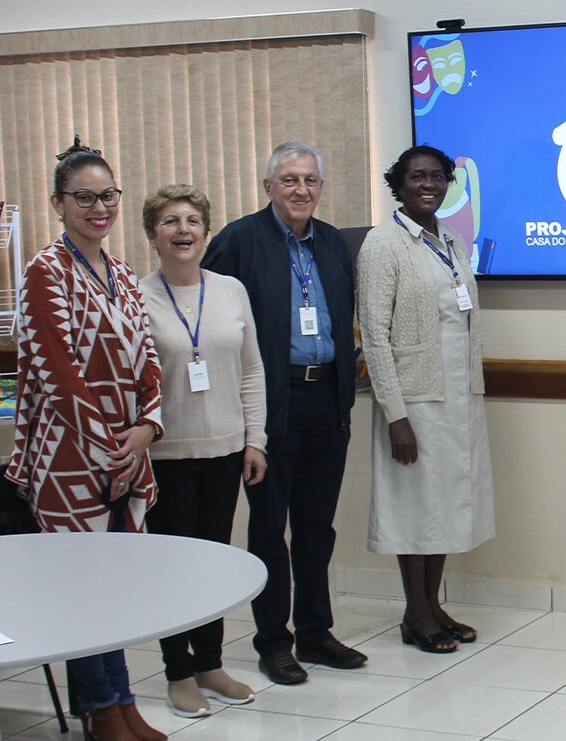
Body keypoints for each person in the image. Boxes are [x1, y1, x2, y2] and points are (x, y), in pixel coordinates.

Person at [5, 136, 167, 740]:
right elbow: (55, 372)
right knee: (83, 595)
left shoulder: (122, 272)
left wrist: (145, 430)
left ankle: (123, 701)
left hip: (124, 449)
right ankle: (100, 711)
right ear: (58, 203)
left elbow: (148, 359)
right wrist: (110, 448)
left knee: (116, 592)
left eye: (108, 196)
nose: (99, 208)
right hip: (67, 457)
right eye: (84, 199)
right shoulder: (44, 271)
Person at [202, 141, 365, 685]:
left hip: (327, 402)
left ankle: (317, 633)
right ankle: (274, 641)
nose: (302, 191)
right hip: (272, 407)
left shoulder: (334, 245)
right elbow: (208, 319)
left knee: (317, 527)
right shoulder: (238, 242)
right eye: (290, 180)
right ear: (268, 186)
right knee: (270, 529)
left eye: (311, 181)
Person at [356, 145, 495, 654]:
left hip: (457, 397)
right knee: (414, 507)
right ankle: (415, 614)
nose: (429, 184)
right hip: (413, 401)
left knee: (443, 507)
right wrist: (396, 416)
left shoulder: (453, 240)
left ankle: (433, 605)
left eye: (437, 176)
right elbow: (374, 334)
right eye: (418, 176)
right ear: (400, 183)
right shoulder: (383, 244)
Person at [141, 184, 266, 716]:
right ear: (153, 234)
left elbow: (252, 369)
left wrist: (254, 439)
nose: (182, 230)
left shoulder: (231, 290)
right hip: (167, 455)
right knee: (175, 568)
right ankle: (178, 671)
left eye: (192, 220)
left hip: (224, 450)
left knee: (214, 561)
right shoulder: (135, 296)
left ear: (206, 231)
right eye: (170, 221)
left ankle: (211, 662)